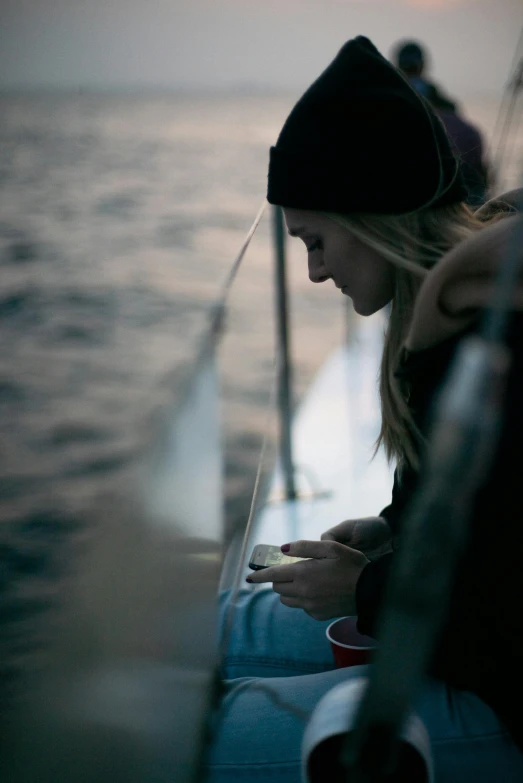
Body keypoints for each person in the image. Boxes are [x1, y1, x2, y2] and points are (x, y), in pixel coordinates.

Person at [205, 37, 523, 782]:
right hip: (460, 643)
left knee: (212, 740)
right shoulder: (449, 324)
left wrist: (363, 588)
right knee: (206, 629)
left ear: (375, 214)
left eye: (315, 240)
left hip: (507, 699)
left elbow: (508, 613)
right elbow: (487, 532)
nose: (313, 272)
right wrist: (390, 533)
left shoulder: (493, 352)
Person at [392, 40, 493, 206]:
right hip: (460, 191)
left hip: (420, 193)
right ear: (423, 65)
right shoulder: (446, 105)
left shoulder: (390, 100)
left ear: (397, 65)